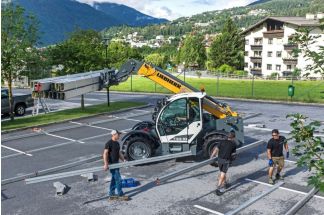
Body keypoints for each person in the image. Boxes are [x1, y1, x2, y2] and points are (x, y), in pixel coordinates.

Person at [103, 130, 128, 199]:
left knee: (114, 179)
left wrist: (123, 160)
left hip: (117, 164)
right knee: (118, 179)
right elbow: (105, 154)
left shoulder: (117, 143)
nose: (119, 136)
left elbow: (119, 153)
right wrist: (106, 164)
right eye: (118, 134)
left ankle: (111, 193)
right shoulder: (109, 143)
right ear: (114, 134)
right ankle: (120, 194)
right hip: (112, 164)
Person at [210, 131, 237, 196]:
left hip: (219, 160)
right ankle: (218, 189)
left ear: (228, 136)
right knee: (223, 173)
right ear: (233, 137)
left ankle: (225, 184)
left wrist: (211, 156)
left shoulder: (221, 141)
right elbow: (233, 154)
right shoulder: (233, 144)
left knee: (222, 171)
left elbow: (216, 149)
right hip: (226, 160)